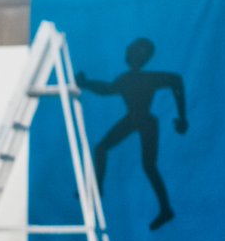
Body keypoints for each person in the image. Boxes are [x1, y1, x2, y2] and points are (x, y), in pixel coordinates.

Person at [76, 37, 187, 230]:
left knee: (148, 166)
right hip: (135, 119)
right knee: (102, 148)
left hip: (145, 121)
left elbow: (176, 81)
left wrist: (183, 117)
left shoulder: (144, 78)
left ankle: (165, 209)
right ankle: (97, 189)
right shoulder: (127, 79)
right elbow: (107, 89)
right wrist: (85, 83)